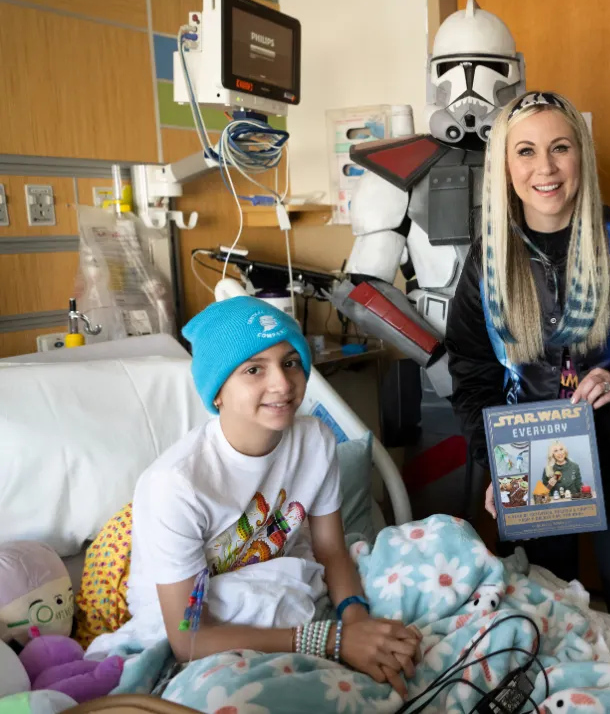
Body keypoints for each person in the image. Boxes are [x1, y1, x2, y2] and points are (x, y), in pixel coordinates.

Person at [445, 91, 610, 636]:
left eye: (560, 147)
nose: (545, 168)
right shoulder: (486, 261)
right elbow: (472, 371)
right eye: (526, 151)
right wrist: (494, 462)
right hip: (532, 461)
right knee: (543, 622)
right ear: (505, 166)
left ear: (581, 155)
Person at [93, 297, 420, 694]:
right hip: (197, 617)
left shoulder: (315, 441)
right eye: (253, 369)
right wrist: (333, 641)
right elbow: (188, 638)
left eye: (290, 362)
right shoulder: (176, 485)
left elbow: (331, 550)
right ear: (218, 393)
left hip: (287, 580)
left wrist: (356, 620)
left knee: (441, 541)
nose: (281, 384)